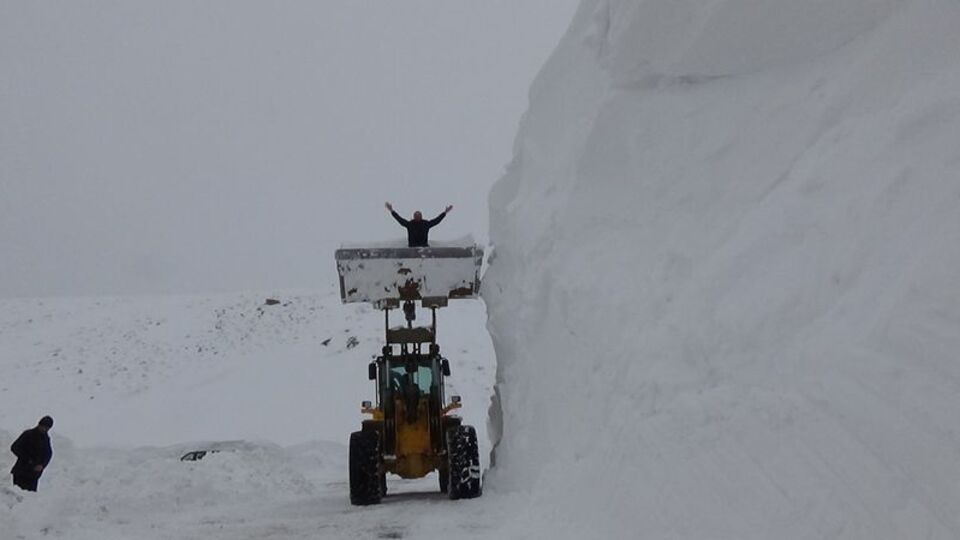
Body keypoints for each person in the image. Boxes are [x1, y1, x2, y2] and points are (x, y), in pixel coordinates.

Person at [10, 416, 54, 492]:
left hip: (33, 475)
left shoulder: (46, 439)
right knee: (18, 496)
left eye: (47, 428)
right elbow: (14, 448)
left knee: (30, 499)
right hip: (21, 472)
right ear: (39, 424)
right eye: (43, 426)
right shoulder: (28, 434)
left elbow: (48, 454)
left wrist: (42, 465)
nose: (44, 429)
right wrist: (28, 460)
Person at [385, 202, 453, 247]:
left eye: (418, 215)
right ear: (414, 216)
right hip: (412, 248)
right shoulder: (410, 224)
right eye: (416, 215)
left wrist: (445, 212)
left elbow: (436, 220)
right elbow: (399, 219)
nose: (417, 216)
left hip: (424, 248)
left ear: (421, 216)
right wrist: (391, 210)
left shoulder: (426, 224)